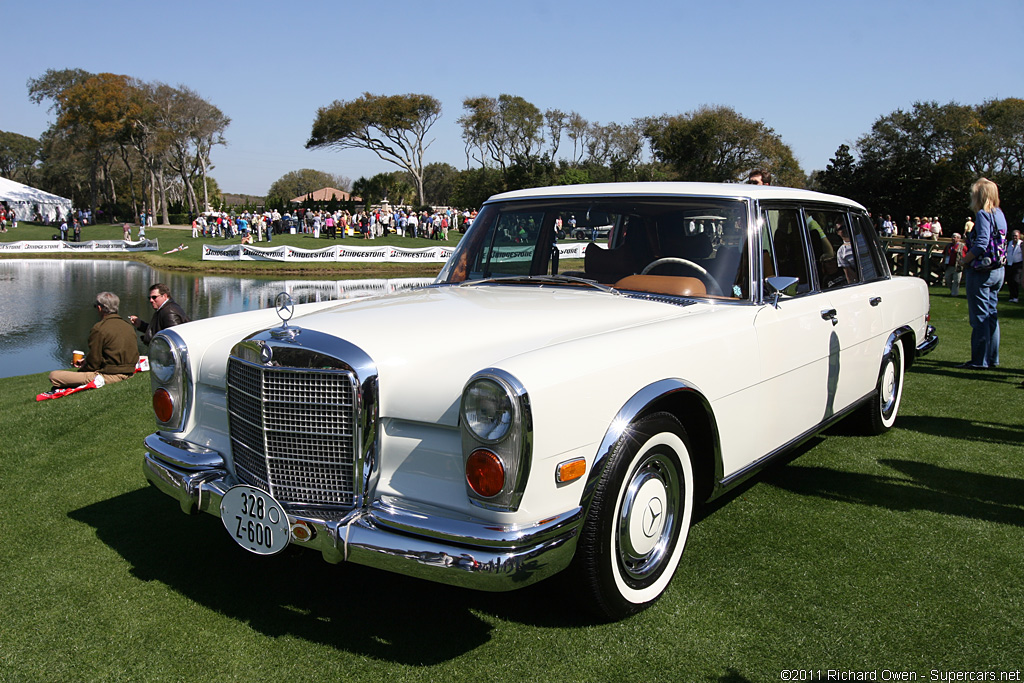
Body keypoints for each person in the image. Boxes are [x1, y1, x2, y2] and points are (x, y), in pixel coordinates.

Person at [45, 292, 139, 392]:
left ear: (99, 308)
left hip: (108, 376)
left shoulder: (100, 328)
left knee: (54, 376)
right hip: (129, 373)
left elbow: (94, 362)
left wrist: (81, 371)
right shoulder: (128, 326)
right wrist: (86, 362)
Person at [960, 178, 1007, 369]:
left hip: (982, 271)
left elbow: (981, 243)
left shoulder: (983, 215)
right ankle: (992, 358)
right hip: (998, 270)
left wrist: (965, 260)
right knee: (991, 315)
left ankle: (979, 360)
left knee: (979, 317)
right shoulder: (999, 214)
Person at [1006, 229, 1023, 303]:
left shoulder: (1021, 244)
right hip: (1009, 264)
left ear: (1019, 236)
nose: (1014, 237)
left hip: (1018, 264)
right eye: (1013, 236)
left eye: (1016, 236)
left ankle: (1015, 296)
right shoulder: (1009, 244)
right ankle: (1011, 296)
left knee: (1015, 280)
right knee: (1010, 280)